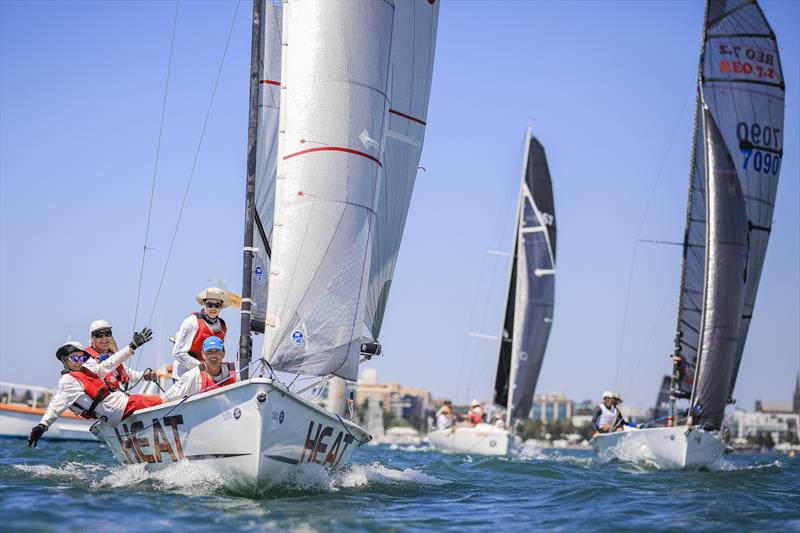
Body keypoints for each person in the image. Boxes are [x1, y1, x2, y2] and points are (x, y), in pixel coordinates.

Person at [27, 329, 160, 447]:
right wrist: (43, 426)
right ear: (64, 360)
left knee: (160, 401)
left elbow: (109, 364)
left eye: (83, 358)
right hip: (118, 408)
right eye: (74, 358)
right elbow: (56, 404)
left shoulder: (86, 371)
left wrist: (132, 346)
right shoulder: (68, 381)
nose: (79, 362)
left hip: (117, 409)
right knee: (161, 402)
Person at [172, 287, 233, 380]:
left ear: (221, 307)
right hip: (183, 374)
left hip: (205, 375)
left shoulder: (222, 327)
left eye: (217, 305)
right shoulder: (191, 322)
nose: (213, 308)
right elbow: (177, 353)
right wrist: (203, 367)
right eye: (209, 305)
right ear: (204, 304)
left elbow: (220, 353)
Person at [84, 319, 156, 391]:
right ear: (92, 338)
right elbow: (104, 368)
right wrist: (131, 347)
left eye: (108, 333)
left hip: (121, 397)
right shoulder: (87, 359)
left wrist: (145, 376)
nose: (104, 337)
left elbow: (130, 374)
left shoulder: (111, 355)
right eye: (99, 335)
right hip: (105, 400)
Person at [162, 336, 238, 402]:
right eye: (209, 352)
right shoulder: (191, 376)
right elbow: (165, 399)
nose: (213, 355)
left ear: (223, 354)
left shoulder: (236, 374)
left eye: (217, 351)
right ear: (203, 354)